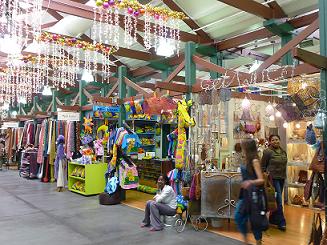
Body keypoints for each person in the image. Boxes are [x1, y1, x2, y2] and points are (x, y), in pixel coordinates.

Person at [235, 139, 265, 245]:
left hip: (254, 194)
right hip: (245, 194)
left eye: (243, 146)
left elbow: (261, 179)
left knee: (255, 218)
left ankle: (258, 241)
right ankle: (246, 240)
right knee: (239, 216)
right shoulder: (246, 160)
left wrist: (249, 182)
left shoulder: (254, 161)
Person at [261, 134, 287, 231]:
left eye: (277, 139)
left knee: (275, 199)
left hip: (282, 178)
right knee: (279, 200)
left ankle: (273, 219)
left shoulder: (283, 151)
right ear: (270, 141)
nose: (275, 141)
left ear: (279, 140)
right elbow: (262, 166)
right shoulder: (267, 152)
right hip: (272, 179)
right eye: (273, 140)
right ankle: (281, 222)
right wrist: (265, 177)